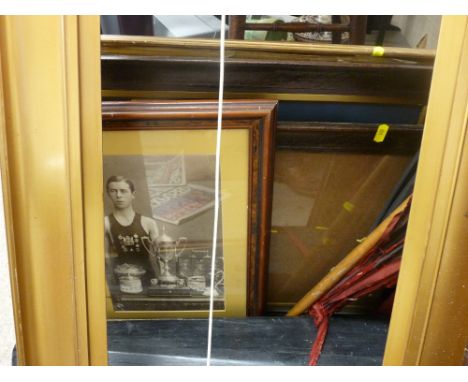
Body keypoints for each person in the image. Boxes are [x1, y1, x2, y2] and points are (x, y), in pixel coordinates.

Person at [104, 175, 159, 287]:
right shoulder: (104, 223)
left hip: (147, 280)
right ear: (108, 194)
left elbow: (161, 257)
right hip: (119, 281)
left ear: (133, 194)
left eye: (123, 191)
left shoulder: (149, 223)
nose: (118, 195)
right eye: (113, 191)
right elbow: (104, 258)